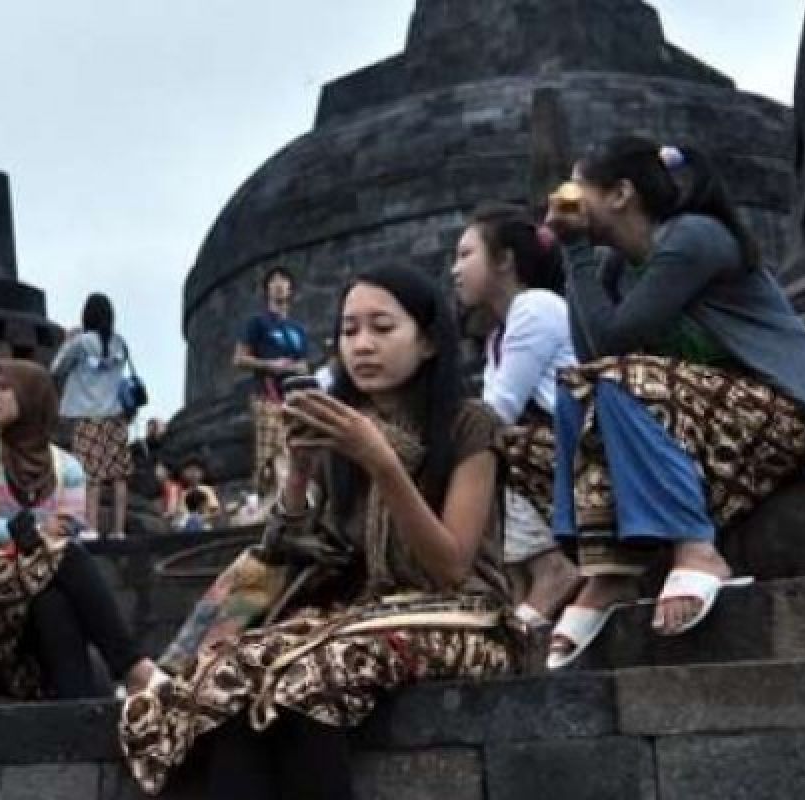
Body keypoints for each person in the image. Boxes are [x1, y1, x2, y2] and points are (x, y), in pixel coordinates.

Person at [122, 265, 520, 798]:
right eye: (349, 331)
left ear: (427, 342)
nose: (363, 345)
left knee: (307, 680)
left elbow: (451, 566)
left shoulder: (471, 424)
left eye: (382, 327)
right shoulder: (344, 430)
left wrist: (382, 463)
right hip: (364, 613)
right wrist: (302, 473)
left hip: (467, 617)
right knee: (228, 679)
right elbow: (311, 556)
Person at [542, 136, 805, 669]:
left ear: (620, 193)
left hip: (784, 411)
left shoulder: (694, 238)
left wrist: (573, 248)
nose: (566, 200)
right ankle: (609, 571)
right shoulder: (619, 269)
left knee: (617, 379)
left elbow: (618, 344)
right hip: (711, 423)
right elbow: (591, 352)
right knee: (578, 387)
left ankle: (697, 549)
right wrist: (577, 258)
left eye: (578, 189)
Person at [0, 357, 157, 699]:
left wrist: (34, 532)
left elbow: (70, 526)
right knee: (67, 557)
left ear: (32, 396)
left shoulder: (67, 466)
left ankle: (79, 709)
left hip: (35, 578)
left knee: (53, 601)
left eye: (5, 388)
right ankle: (131, 666)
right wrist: (13, 531)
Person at [451, 204, 582, 628]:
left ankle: (552, 569)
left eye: (466, 254)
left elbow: (498, 411)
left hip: (575, 449)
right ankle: (521, 591)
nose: (455, 270)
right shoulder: (498, 335)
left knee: (492, 445)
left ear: (504, 259)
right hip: (548, 454)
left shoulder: (535, 307)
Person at [51, 293, 133, 537]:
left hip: (88, 415)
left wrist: (68, 340)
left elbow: (56, 370)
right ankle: (119, 530)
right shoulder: (121, 343)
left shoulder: (81, 343)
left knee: (91, 475)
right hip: (116, 415)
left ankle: (92, 527)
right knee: (119, 476)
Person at [233, 266, 310, 499]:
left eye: (284, 281)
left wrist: (298, 369)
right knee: (271, 452)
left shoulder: (298, 330)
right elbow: (238, 359)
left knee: (291, 449)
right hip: (267, 393)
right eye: (274, 281)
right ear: (267, 290)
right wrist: (271, 364)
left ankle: (288, 501)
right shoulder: (258, 323)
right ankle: (274, 501)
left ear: (291, 290)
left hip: (293, 396)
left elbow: (304, 364)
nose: (279, 285)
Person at [170, 456, 221, 533]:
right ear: (182, 473)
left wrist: (202, 518)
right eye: (189, 470)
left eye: (196, 470)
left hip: (204, 525)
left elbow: (216, 512)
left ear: (203, 472)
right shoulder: (183, 493)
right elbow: (180, 513)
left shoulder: (207, 490)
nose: (193, 473)